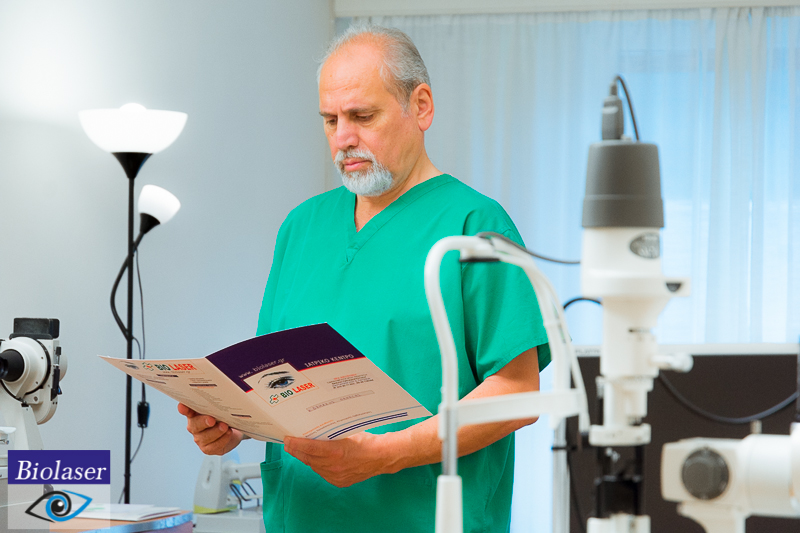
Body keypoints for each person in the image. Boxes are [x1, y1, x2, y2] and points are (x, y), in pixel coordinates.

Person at [179, 24, 551, 532]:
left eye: (362, 116)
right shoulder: (302, 228)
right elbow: (274, 384)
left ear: (421, 107)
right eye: (330, 120)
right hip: (301, 518)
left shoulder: (475, 226)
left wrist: (387, 454)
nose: (343, 139)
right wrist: (231, 424)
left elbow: (516, 391)